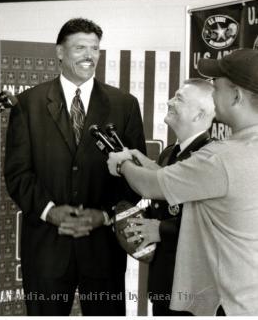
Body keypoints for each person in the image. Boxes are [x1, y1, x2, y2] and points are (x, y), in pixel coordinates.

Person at [4, 18, 146, 315]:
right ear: (59, 52)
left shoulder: (125, 104)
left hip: (103, 249)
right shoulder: (28, 104)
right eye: (80, 47)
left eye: (95, 48)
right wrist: (49, 211)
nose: (89, 55)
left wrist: (106, 215)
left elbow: (137, 175)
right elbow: (18, 173)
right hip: (46, 248)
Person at [107, 48, 258, 316]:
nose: (213, 93)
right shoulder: (234, 153)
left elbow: (150, 186)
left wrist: (122, 164)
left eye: (217, 87)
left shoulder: (220, 157)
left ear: (236, 96)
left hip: (227, 303)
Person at [124, 78, 215, 316]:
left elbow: (210, 222)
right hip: (164, 282)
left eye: (179, 98)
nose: (169, 101)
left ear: (198, 115)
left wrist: (162, 229)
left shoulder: (209, 157)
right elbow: (163, 207)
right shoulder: (168, 154)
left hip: (193, 289)